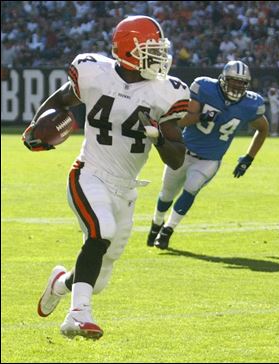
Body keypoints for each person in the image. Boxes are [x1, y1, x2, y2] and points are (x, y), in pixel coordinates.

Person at [22, 15, 189, 339]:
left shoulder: (165, 92)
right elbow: (60, 100)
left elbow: (177, 156)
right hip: (89, 172)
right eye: (151, 49)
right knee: (102, 230)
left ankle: (60, 285)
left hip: (125, 190)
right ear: (129, 50)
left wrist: (157, 137)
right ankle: (77, 316)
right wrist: (36, 126)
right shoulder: (94, 72)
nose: (159, 56)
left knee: (98, 278)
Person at [146, 60, 269, 250]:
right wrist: (200, 116)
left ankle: (168, 230)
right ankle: (156, 223)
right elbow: (181, 122)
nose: (236, 85)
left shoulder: (251, 104)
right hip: (183, 151)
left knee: (191, 188)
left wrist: (249, 157)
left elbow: (263, 129)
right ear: (222, 78)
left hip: (210, 159)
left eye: (241, 82)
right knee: (167, 194)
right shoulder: (205, 88)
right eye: (233, 80)